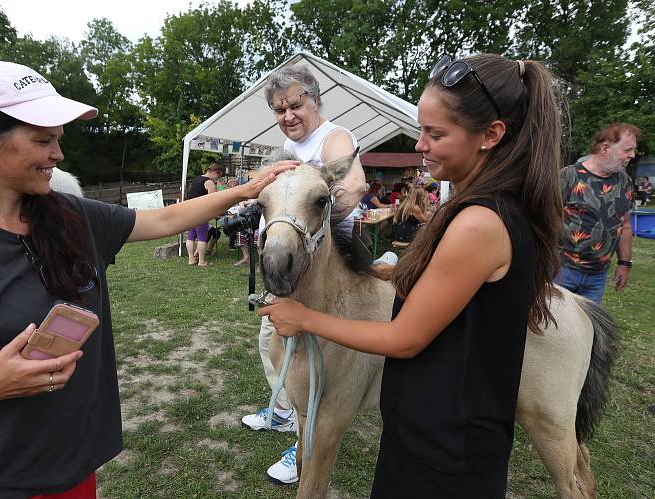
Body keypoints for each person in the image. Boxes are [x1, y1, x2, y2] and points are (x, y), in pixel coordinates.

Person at [0, 61, 296, 499]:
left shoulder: (71, 215)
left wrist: (245, 190)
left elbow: (163, 218)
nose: (58, 155)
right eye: (43, 140)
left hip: (75, 470)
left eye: (59, 140)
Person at [257, 54, 563, 496]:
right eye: (422, 130)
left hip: (444, 444)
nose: (420, 144)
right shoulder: (482, 207)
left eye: (435, 133)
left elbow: (405, 338)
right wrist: (396, 276)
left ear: (491, 135)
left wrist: (304, 318)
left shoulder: (479, 222)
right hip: (436, 426)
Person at [239, 64, 366, 485]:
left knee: (314, 358)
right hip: (287, 266)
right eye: (279, 109)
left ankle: (304, 434)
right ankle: (284, 409)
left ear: (314, 99)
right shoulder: (286, 150)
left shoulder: (334, 136)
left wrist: (322, 205)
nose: (288, 115)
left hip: (331, 267)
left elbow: (354, 184)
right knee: (271, 341)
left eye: (296, 104)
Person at [555, 123, 641, 303]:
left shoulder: (624, 181)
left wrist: (624, 264)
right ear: (605, 148)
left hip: (597, 277)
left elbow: (624, 226)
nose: (632, 155)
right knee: (554, 327)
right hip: (562, 271)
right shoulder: (568, 177)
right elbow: (543, 220)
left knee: (590, 329)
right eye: (627, 150)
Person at [185, 163, 224, 267]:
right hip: (200, 212)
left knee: (191, 236)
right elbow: (213, 200)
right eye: (218, 176)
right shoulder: (209, 182)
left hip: (190, 210)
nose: (217, 179)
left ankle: (191, 259)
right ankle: (202, 262)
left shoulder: (197, 178)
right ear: (215, 172)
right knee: (202, 237)